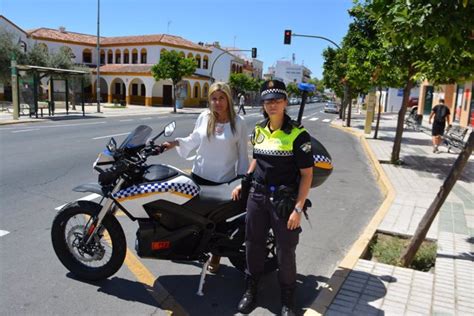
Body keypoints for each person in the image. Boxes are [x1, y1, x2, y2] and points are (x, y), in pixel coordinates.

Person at [231, 79, 313, 316]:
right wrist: (244, 182)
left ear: (285, 102)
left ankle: (288, 297)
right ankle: (251, 289)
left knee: (285, 250)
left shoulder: (299, 134)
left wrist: (298, 208)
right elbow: (257, 159)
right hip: (257, 196)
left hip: (283, 201)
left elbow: (307, 175)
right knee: (253, 245)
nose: (272, 105)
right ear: (263, 104)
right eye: (268, 101)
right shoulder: (259, 129)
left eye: (277, 100)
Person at [162, 81, 249, 272]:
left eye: (221, 98)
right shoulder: (204, 117)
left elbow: (243, 155)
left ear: (228, 98)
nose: (217, 102)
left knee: (217, 222)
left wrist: (242, 181)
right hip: (199, 175)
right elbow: (194, 138)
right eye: (213, 98)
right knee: (194, 217)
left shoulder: (238, 123)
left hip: (222, 181)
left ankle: (216, 257)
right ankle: (192, 248)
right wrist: (175, 142)